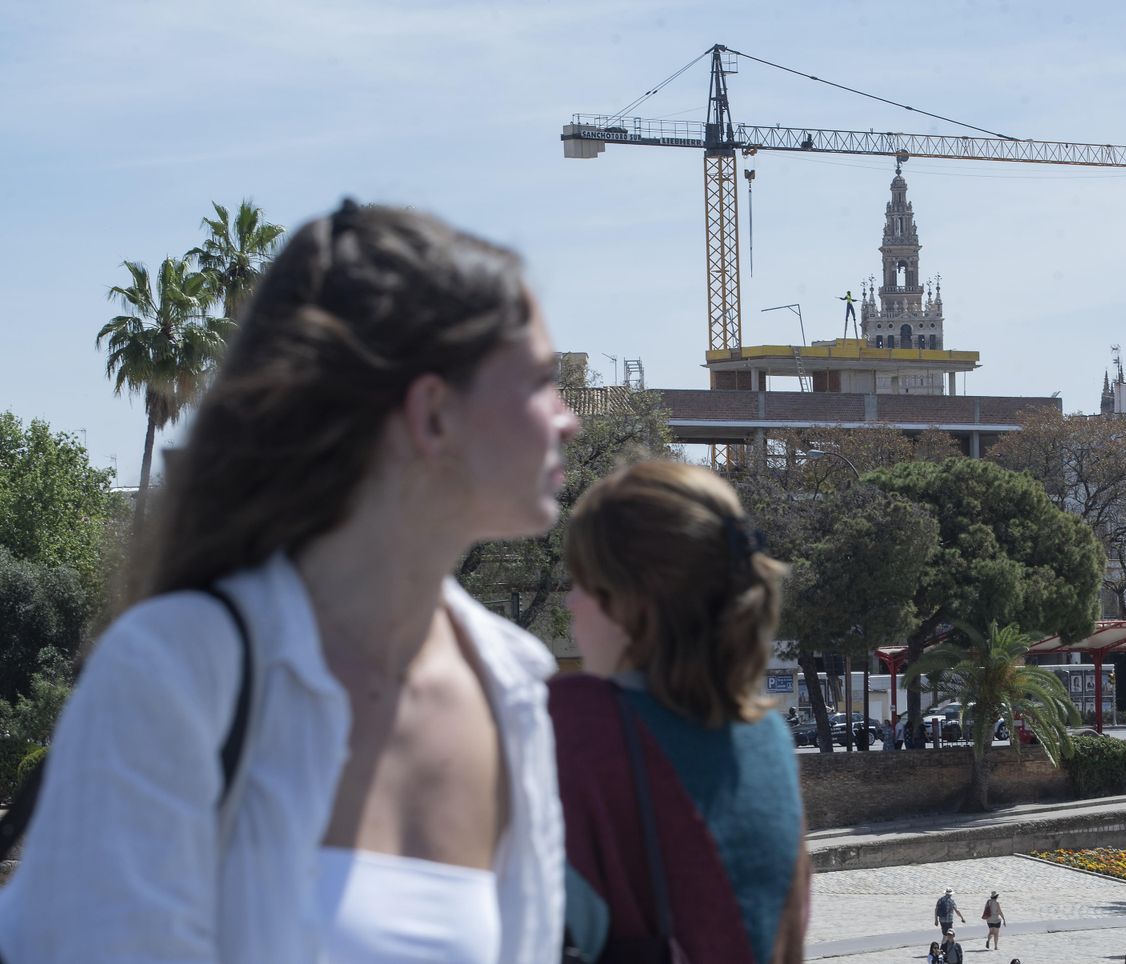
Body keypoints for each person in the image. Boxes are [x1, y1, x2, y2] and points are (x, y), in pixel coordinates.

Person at [0, 202, 579, 961]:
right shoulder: (173, 671)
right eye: (541, 381)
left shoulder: (513, 684)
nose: (567, 418)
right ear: (434, 414)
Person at [551, 461, 808, 963]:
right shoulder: (770, 741)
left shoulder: (574, 725)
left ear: (631, 602)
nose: (570, 602)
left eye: (581, 581)